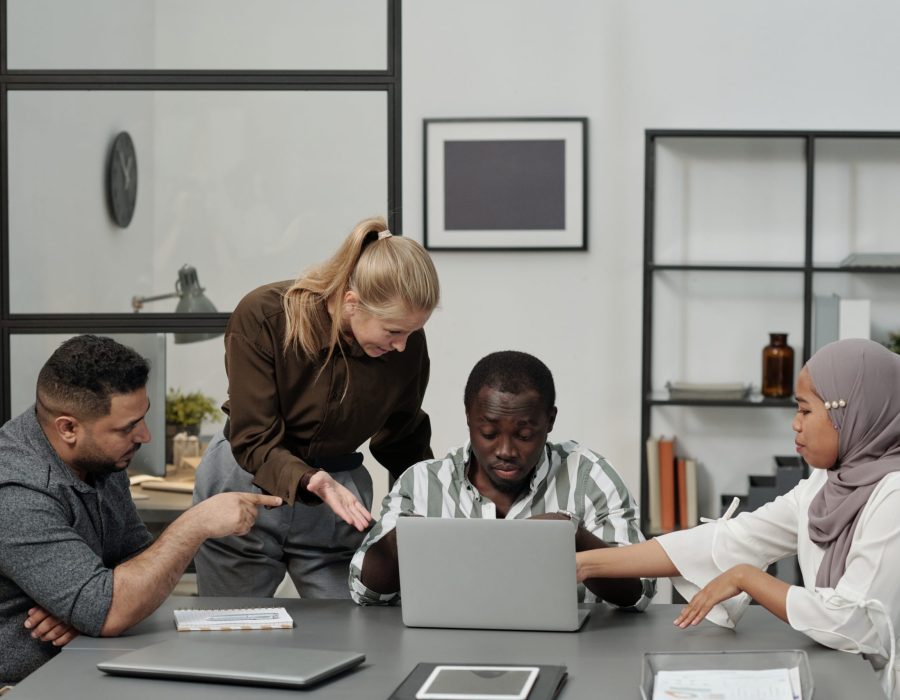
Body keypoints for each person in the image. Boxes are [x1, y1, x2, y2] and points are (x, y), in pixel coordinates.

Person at [575, 338, 900, 700]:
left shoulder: (894, 496)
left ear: (850, 414)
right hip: (842, 675)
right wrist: (588, 563)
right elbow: (730, 540)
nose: (795, 424)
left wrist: (748, 578)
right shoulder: (825, 483)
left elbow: (851, 622)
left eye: (806, 411)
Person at [0, 335, 281, 686]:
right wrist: (195, 524)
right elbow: (111, 608)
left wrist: (84, 605)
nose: (145, 436)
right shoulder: (15, 491)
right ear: (68, 428)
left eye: (142, 418)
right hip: (26, 685)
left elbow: (136, 563)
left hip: (89, 660)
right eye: (127, 427)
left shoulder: (100, 458)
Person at [193, 216, 440, 599]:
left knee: (354, 632)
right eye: (393, 332)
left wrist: (435, 502)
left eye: (412, 332)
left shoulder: (404, 347)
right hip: (245, 484)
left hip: (338, 502)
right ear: (351, 302)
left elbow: (402, 437)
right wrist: (311, 479)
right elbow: (253, 438)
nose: (403, 346)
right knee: (232, 633)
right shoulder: (265, 317)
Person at [349, 350, 656, 610]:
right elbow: (365, 593)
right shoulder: (422, 483)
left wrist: (574, 537)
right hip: (444, 652)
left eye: (524, 435)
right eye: (489, 434)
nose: (506, 451)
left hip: (572, 654)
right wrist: (396, 543)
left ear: (550, 421)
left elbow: (638, 593)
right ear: (469, 417)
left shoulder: (590, 477)